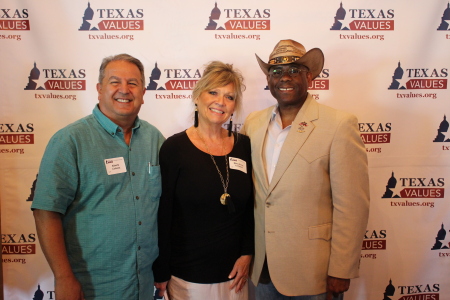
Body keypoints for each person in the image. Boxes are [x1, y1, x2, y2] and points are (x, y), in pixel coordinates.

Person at [241, 39, 370, 300]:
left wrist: (341, 268)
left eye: (294, 70)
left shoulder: (339, 124)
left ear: (309, 76)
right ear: (268, 79)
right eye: (276, 71)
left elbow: (352, 206)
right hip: (264, 268)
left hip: (315, 272)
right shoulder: (253, 123)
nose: (284, 78)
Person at [32, 54, 165, 299]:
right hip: (92, 287)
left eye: (133, 83)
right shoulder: (70, 141)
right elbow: (46, 211)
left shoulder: (155, 139)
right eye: (115, 82)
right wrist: (63, 277)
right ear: (99, 89)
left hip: (143, 286)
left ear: (144, 92)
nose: (124, 90)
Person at [153, 61, 254, 300]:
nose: (221, 101)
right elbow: (163, 214)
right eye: (213, 92)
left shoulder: (244, 146)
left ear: (234, 106)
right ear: (197, 96)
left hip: (234, 276)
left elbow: (251, 207)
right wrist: (161, 270)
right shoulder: (174, 148)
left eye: (229, 97)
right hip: (188, 276)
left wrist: (247, 253)